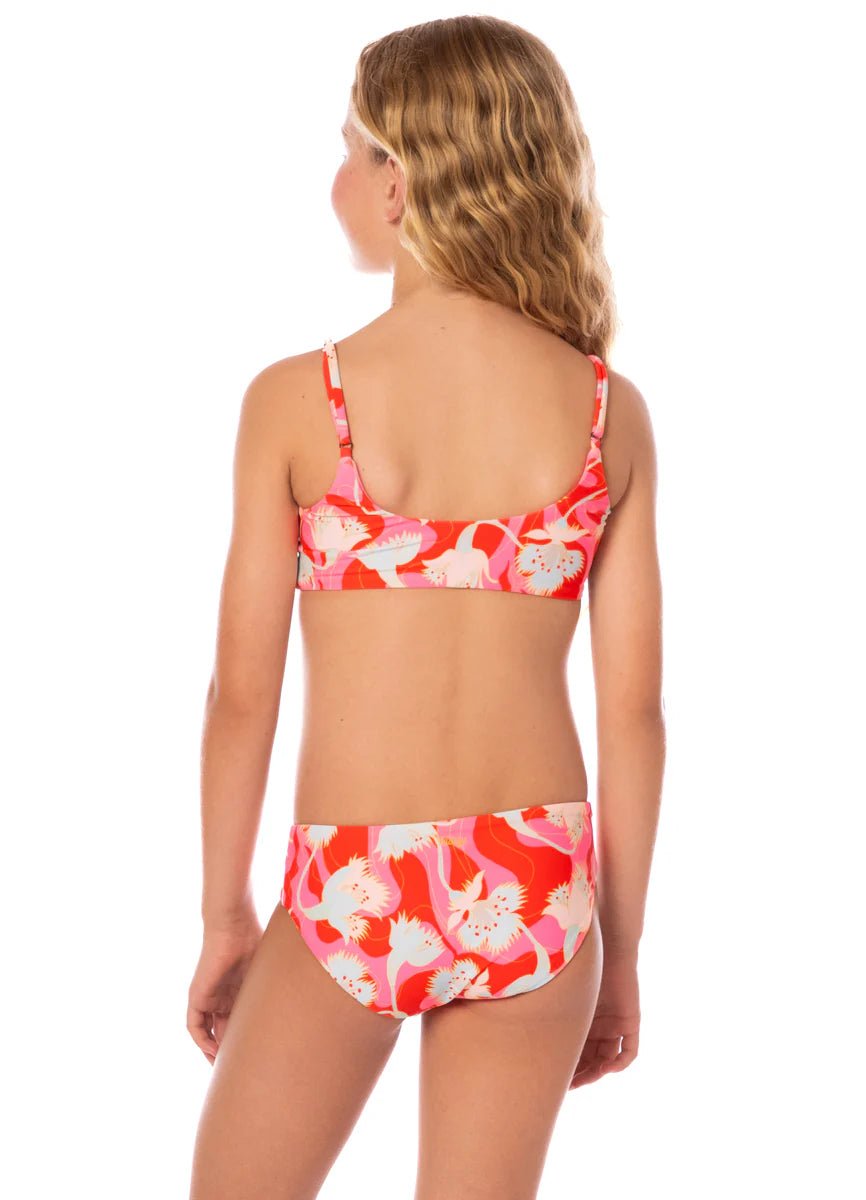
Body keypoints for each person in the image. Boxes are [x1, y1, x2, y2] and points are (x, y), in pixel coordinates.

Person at [187, 15, 664, 1200]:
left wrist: (225, 915)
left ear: (399, 182)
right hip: (536, 883)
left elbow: (242, 694)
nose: (336, 180)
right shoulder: (605, 411)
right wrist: (617, 950)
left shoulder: (300, 401)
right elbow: (634, 714)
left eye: (349, 150)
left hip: (354, 880)